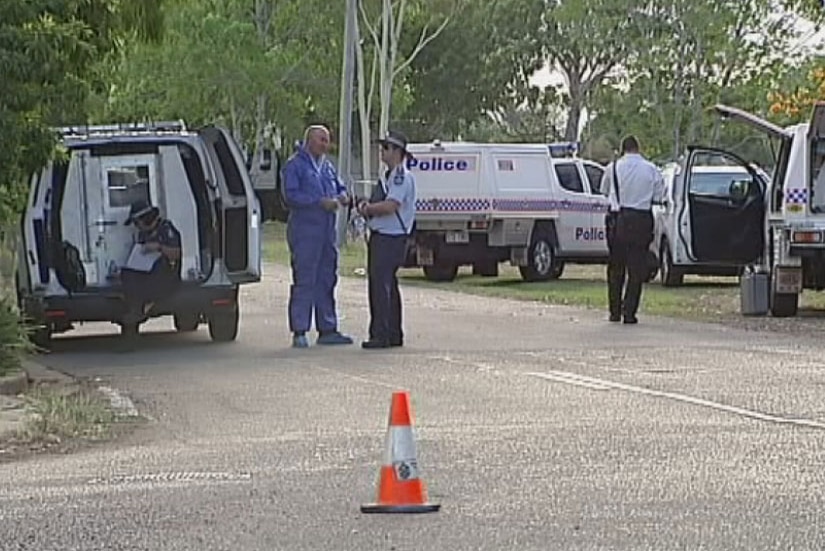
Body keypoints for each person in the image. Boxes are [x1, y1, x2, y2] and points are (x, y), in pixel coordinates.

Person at [282, 124, 353, 348]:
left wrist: (342, 196)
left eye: (327, 140)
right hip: (305, 231)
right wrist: (318, 202)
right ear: (309, 140)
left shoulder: (327, 167)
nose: (325, 144)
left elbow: (340, 187)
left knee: (327, 278)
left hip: (326, 232)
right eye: (322, 140)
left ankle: (328, 328)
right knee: (305, 279)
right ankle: (300, 329)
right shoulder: (295, 165)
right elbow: (290, 195)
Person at [357, 130, 416, 349]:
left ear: (398, 152)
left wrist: (367, 209)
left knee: (380, 285)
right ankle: (392, 332)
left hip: (390, 238)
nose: (382, 151)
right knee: (387, 284)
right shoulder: (389, 175)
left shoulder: (401, 176)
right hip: (384, 236)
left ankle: (381, 334)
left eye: (387, 148)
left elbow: (392, 205)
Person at [600, 135, 665, 324]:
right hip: (641, 220)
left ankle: (614, 311)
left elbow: (604, 191)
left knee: (615, 268)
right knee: (636, 269)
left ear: (622, 149)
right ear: (638, 148)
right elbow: (659, 195)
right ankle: (629, 312)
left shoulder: (612, 168)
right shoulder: (652, 170)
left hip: (618, 218)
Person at [120, 200, 182, 324]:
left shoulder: (165, 229)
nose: (137, 226)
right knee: (127, 274)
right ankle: (136, 310)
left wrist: (159, 247)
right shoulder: (143, 234)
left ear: (146, 219)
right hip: (147, 271)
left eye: (137, 223)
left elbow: (177, 253)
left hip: (166, 274)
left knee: (160, 269)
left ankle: (148, 304)